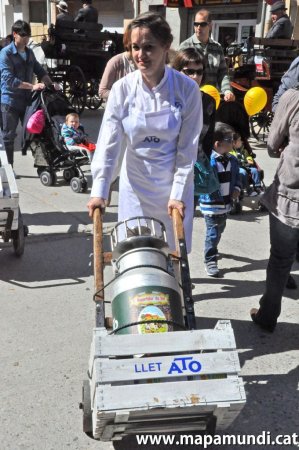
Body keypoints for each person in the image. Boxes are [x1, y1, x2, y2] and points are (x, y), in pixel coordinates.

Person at [87, 11, 202, 252]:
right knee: (136, 257)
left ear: (166, 46)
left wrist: (178, 194)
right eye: (135, 47)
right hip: (135, 188)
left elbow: (187, 149)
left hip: (172, 188)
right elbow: (109, 143)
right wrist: (101, 189)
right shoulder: (122, 90)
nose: (140, 55)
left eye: (148, 47)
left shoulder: (187, 90)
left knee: (172, 259)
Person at [250, 87, 299, 333]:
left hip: (291, 197)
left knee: (280, 260)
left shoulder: (293, 98)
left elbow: (271, 145)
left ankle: (267, 316)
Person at [0, 20, 58, 167]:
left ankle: (42, 165)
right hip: (10, 101)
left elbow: (40, 71)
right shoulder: (5, 54)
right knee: (9, 136)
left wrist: (51, 85)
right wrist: (32, 86)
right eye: (23, 35)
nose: (26, 38)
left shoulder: (30, 52)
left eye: (28, 35)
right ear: (15, 34)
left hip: (27, 101)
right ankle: (9, 169)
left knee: (35, 132)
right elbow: (9, 80)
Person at [199, 122, 241, 277]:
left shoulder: (233, 160)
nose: (233, 142)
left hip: (225, 203)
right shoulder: (207, 161)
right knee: (213, 232)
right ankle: (210, 259)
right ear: (218, 144)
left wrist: (236, 189)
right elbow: (203, 182)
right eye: (230, 140)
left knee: (220, 228)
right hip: (211, 204)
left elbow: (237, 177)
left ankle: (213, 246)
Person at [179, 9, 235, 102]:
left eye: (202, 24)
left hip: (211, 99)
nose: (198, 27)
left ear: (210, 25)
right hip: (189, 98)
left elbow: (223, 73)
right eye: (196, 24)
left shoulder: (217, 47)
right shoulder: (185, 46)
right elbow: (177, 74)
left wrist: (227, 91)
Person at [172, 47, 215, 159]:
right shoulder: (168, 98)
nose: (195, 76)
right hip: (168, 162)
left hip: (197, 163)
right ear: (177, 71)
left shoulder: (209, 102)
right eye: (189, 71)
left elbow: (208, 141)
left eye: (199, 72)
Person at [99, 22, 135, 100]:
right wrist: (126, 95)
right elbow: (102, 91)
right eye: (136, 46)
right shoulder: (116, 62)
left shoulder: (149, 64)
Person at [231, 132, 261, 196]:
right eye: (239, 140)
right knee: (243, 172)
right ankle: (249, 190)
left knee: (254, 170)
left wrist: (250, 162)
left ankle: (257, 187)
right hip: (238, 167)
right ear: (234, 143)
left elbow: (248, 157)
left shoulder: (244, 150)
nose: (241, 141)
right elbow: (233, 161)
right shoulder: (231, 151)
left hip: (246, 166)